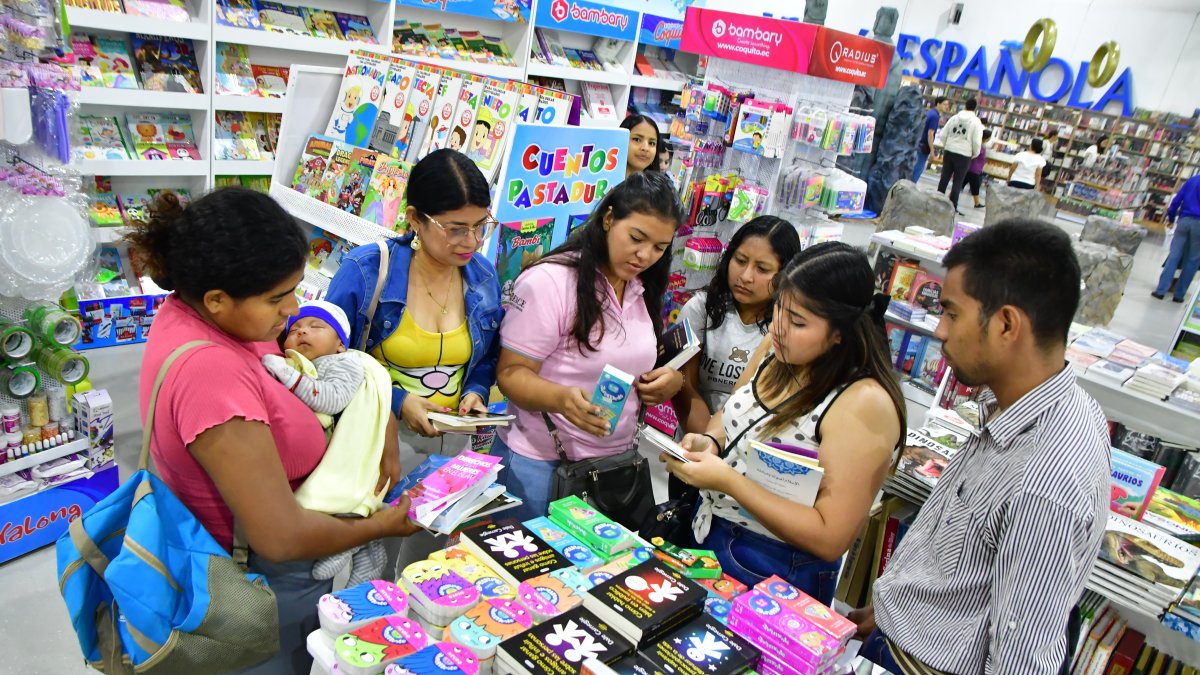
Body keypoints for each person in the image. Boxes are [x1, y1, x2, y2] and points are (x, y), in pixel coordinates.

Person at [128, 188, 419, 674]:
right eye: (278, 299)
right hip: (259, 582)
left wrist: (381, 420)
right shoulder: (210, 372)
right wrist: (381, 528)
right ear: (218, 299)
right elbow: (279, 537)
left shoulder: (200, 313)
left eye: (296, 290)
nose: (294, 312)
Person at [852, 219, 1110, 674]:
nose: (940, 331)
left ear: (1007, 324)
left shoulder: (1044, 483)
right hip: (900, 640)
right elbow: (968, 565)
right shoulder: (1027, 403)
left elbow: (1021, 660)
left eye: (952, 313)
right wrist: (900, 613)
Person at [663, 242, 905, 604]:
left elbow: (830, 536)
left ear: (842, 332)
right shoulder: (777, 349)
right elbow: (733, 412)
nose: (779, 327)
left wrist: (728, 481)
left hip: (775, 569)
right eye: (779, 309)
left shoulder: (863, 403)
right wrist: (712, 442)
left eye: (799, 322)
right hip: (706, 532)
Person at [325, 149, 503, 573]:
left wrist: (477, 390)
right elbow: (329, 361)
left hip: (455, 444)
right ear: (414, 219)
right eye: (456, 229)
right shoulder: (368, 271)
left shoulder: (481, 275)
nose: (473, 242)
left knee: (436, 560)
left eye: (482, 226)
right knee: (374, 558)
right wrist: (400, 401)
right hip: (384, 440)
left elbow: (488, 352)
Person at [495, 172, 686, 521]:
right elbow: (510, 374)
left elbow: (629, 361)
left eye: (660, 247)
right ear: (609, 218)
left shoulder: (641, 287)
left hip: (612, 469)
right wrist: (561, 399)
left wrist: (666, 382)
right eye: (636, 238)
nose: (645, 255)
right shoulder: (549, 282)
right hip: (541, 467)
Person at [262, 300, 395, 586]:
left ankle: (350, 541)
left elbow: (331, 398)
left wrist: (286, 374)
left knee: (342, 498)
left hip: (353, 456)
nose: (302, 332)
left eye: (316, 326)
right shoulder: (310, 364)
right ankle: (369, 553)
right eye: (294, 329)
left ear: (340, 344)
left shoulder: (344, 363)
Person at [672, 216, 802, 434]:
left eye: (762, 269)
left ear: (785, 275)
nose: (745, 276)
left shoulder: (784, 328)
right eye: (740, 261)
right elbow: (686, 388)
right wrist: (708, 442)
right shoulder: (700, 309)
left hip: (748, 446)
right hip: (694, 443)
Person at [1153, 174, 1200, 302]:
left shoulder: (1193, 180)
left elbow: (1176, 200)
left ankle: (1160, 291)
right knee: (1193, 260)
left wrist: (1171, 217)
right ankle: (1179, 295)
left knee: (1174, 255)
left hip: (1184, 221)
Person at [937, 98, 983, 212]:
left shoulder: (954, 118)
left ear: (965, 106)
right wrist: (974, 153)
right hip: (964, 154)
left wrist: (947, 145)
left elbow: (943, 134)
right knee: (958, 182)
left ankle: (937, 201)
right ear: (975, 108)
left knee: (944, 178)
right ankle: (952, 207)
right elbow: (977, 141)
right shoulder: (976, 122)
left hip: (949, 150)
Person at [914, 97, 951, 183]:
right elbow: (930, 133)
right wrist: (932, 150)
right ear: (938, 104)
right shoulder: (935, 116)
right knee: (918, 169)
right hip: (924, 146)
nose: (947, 106)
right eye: (945, 104)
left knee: (915, 167)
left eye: (947, 105)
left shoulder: (929, 112)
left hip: (919, 143)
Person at [965, 128, 992, 208]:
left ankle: (950, 197)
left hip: (973, 169)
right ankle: (977, 203)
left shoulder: (980, 145)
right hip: (974, 169)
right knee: (975, 187)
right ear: (987, 138)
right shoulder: (980, 146)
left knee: (962, 185)